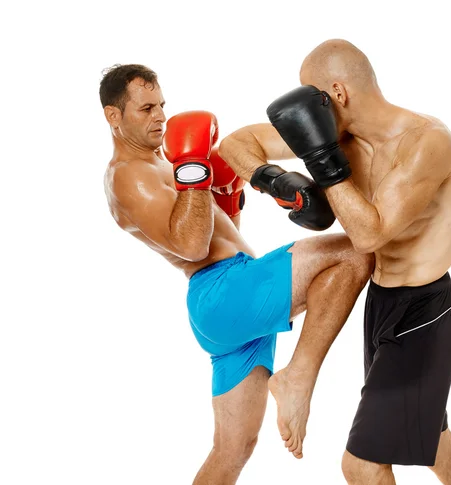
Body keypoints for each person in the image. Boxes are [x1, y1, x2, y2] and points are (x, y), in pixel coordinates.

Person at [219, 39, 451, 484]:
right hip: (381, 304)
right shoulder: (342, 136)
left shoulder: (426, 143)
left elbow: (369, 233)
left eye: (311, 96)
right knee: (433, 440)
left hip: (424, 314)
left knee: (360, 464)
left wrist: (322, 160)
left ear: (336, 94)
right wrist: (276, 179)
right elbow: (235, 144)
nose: (304, 107)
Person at [100, 64, 373, 484]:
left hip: (231, 296)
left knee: (232, 451)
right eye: (146, 109)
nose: (160, 117)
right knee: (358, 251)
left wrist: (228, 196)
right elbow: (191, 246)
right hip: (224, 293)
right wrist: (193, 169)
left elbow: (215, 236)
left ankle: (293, 377)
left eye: (162, 106)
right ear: (113, 116)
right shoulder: (128, 178)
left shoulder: (159, 162)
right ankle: (298, 375)